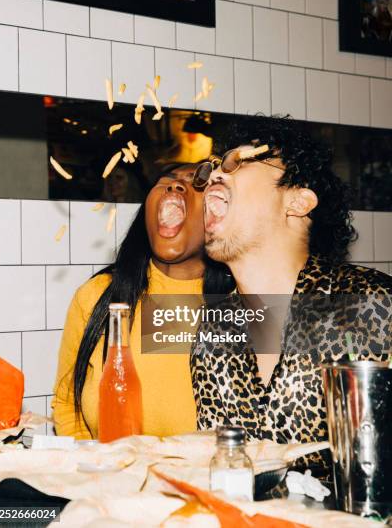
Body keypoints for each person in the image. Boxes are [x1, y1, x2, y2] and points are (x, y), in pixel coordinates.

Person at [190, 116, 392, 451]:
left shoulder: (373, 304)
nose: (214, 173)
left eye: (238, 161)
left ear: (298, 202)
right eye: (212, 166)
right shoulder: (215, 327)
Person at [52, 163, 233, 440]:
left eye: (197, 184)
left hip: (203, 481)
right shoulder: (99, 296)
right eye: (166, 180)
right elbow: (67, 404)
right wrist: (96, 472)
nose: (175, 186)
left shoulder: (242, 304)